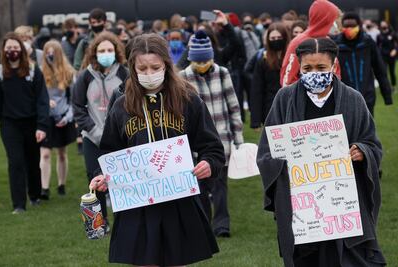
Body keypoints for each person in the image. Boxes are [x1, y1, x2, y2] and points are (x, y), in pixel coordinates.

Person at [89, 33, 225, 266]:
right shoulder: (122, 104)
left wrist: (208, 164)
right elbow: (108, 152)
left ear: (167, 65)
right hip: (137, 205)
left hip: (179, 201)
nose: (149, 73)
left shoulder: (188, 99)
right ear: (133, 67)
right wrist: (101, 176)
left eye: (155, 67)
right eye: (143, 68)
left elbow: (212, 147)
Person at [257, 37, 386, 267]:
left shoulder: (353, 100)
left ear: (334, 66)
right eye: (307, 68)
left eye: (321, 68)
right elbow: (266, 152)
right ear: (299, 67)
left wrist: (362, 151)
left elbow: (373, 144)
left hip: (343, 202)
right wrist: (283, 160)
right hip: (302, 206)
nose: (314, 73)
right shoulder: (284, 99)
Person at [180, 30, 243, 237]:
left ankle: (222, 225)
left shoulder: (223, 73)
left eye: (206, 60)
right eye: (199, 60)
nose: (203, 63)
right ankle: (203, 223)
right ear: (191, 59)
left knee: (220, 186)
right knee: (198, 187)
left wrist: (238, 138)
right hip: (194, 144)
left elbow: (233, 106)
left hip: (221, 139)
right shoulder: (182, 78)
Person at [72, 32, 128, 231]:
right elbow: (78, 107)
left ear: (116, 51)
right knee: (95, 181)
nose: (106, 53)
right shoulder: (85, 76)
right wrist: (94, 130)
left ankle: (124, 222)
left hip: (120, 139)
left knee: (120, 181)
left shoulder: (124, 74)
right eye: (102, 50)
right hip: (92, 137)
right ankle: (100, 222)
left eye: (110, 50)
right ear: (94, 52)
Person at [0, 32, 49, 214]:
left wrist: (42, 126)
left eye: (15, 47)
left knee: (32, 161)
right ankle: (19, 204)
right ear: (4, 50)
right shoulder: (0, 72)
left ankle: (34, 195)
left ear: (21, 48)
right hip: (9, 124)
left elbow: (42, 99)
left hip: (32, 123)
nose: (12, 51)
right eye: (9, 48)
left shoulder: (33, 70)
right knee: (15, 162)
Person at [333, 12, 393, 115]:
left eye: (353, 25)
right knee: (349, 130)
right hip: (345, 98)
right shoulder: (336, 45)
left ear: (359, 26)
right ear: (342, 26)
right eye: (346, 25)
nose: (350, 28)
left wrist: (387, 95)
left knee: (367, 129)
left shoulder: (368, 43)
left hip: (367, 97)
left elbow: (380, 70)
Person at [39, 40, 77, 200]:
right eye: (47, 51)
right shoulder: (40, 72)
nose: (50, 55)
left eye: (53, 52)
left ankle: (61, 184)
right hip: (46, 118)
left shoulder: (69, 73)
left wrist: (68, 118)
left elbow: (75, 101)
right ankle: (44, 188)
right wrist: (45, 101)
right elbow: (36, 97)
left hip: (63, 117)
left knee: (62, 153)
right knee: (45, 153)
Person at [280, 0, 340, 86]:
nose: (334, 24)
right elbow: (287, 79)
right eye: (332, 20)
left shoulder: (329, 42)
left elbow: (336, 72)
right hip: (303, 97)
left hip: (329, 97)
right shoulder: (298, 42)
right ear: (324, 20)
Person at [250, 23, 290, 130]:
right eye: (273, 38)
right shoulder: (263, 60)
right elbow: (257, 90)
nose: (276, 40)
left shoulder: (292, 57)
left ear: (285, 38)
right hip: (270, 109)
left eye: (279, 37)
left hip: (290, 106)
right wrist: (256, 120)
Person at [377, 21, 397, 90]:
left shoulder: (393, 34)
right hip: (383, 56)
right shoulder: (379, 35)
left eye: (384, 25)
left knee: (392, 71)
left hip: (391, 56)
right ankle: (386, 86)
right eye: (381, 25)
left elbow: (396, 44)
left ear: (387, 25)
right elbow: (377, 45)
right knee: (384, 71)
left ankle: (393, 85)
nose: (383, 26)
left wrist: (395, 50)